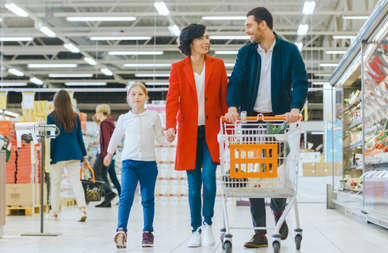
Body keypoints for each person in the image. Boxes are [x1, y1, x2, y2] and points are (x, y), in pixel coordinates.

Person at [224, 7, 308, 248]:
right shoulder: (246, 53)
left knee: (275, 171)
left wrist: (295, 108)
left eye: (249, 25)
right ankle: (260, 232)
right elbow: (236, 82)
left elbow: (300, 82)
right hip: (252, 120)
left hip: (277, 121)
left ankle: (278, 215)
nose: (246, 30)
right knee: (253, 174)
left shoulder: (289, 51)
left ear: (263, 25)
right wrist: (232, 107)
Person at [165, 24, 228, 248]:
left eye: (207, 37)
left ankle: (208, 223)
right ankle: (195, 229)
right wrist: (170, 126)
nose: (206, 41)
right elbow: (172, 100)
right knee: (193, 185)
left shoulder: (218, 65)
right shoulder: (178, 68)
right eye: (202, 38)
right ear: (190, 42)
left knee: (209, 180)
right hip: (189, 133)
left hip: (212, 132)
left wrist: (229, 116)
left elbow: (224, 97)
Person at [105, 82, 166, 249]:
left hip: (148, 164)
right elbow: (116, 137)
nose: (136, 97)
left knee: (147, 199)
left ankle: (148, 232)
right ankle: (121, 230)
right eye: (133, 94)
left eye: (140, 94)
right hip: (129, 163)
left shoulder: (153, 117)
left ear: (146, 97)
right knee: (126, 197)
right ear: (128, 98)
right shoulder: (124, 118)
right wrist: (109, 154)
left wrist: (168, 137)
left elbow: (160, 138)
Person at [47, 89, 89, 222]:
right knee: (76, 182)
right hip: (74, 153)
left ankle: (54, 212)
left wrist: (51, 156)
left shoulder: (51, 117)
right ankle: (82, 209)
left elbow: (51, 138)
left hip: (58, 154)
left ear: (56, 102)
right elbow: (79, 137)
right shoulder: (75, 116)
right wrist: (84, 155)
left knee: (56, 183)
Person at [93, 104, 120, 208]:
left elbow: (107, 140)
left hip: (104, 154)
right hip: (106, 153)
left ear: (100, 112)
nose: (96, 115)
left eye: (97, 113)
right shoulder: (109, 123)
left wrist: (106, 155)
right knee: (103, 175)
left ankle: (109, 193)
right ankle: (107, 201)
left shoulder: (104, 123)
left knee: (96, 173)